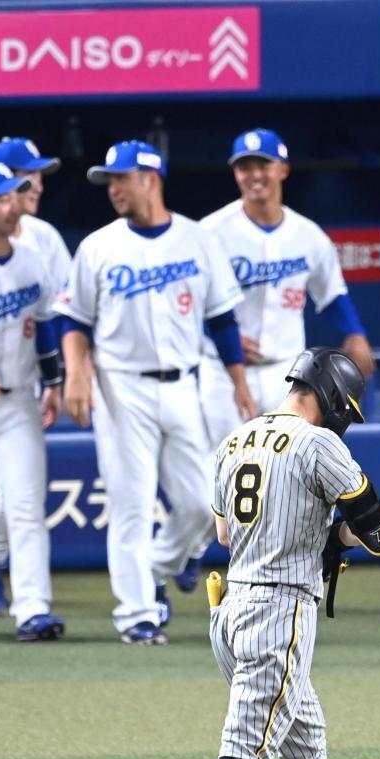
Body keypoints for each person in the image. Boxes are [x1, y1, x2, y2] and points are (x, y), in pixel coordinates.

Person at [144, 347, 380, 759]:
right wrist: (336, 537)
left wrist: (311, 532)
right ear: (332, 398)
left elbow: (224, 533)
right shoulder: (320, 444)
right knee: (246, 754)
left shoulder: (236, 438)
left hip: (232, 609)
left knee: (305, 743)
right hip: (277, 616)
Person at [56, 140, 256, 644]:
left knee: (203, 504)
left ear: (151, 179)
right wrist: (76, 371)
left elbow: (222, 319)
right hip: (121, 387)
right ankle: (137, 615)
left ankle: (155, 568)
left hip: (184, 382)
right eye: (109, 181)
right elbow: (74, 321)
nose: (113, 188)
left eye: (122, 178)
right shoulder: (97, 246)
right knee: (131, 503)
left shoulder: (196, 239)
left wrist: (239, 382)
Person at [163, 127, 375, 596]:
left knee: (284, 474)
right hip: (224, 371)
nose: (254, 174)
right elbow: (181, 303)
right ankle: (191, 551)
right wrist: (221, 335)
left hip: (290, 378)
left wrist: (355, 334)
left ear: (282, 169)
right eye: (245, 166)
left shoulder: (307, 235)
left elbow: (333, 294)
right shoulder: (211, 232)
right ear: (235, 173)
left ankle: (265, 571)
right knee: (222, 471)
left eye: (262, 164)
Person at [0, 136, 71, 618]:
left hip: (18, 393)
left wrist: (54, 381)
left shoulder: (35, 251)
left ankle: (32, 607)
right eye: (3, 196)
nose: (16, 200)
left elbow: (46, 321)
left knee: (24, 505)